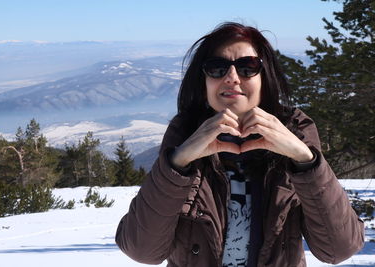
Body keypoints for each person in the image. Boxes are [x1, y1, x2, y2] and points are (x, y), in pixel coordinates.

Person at [115, 22, 364, 267]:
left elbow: (338, 250)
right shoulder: (184, 133)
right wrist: (178, 164)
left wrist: (304, 159)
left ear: (266, 78)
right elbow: (143, 250)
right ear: (203, 82)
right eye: (217, 68)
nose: (232, 78)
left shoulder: (295, 130)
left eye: (247, 67)